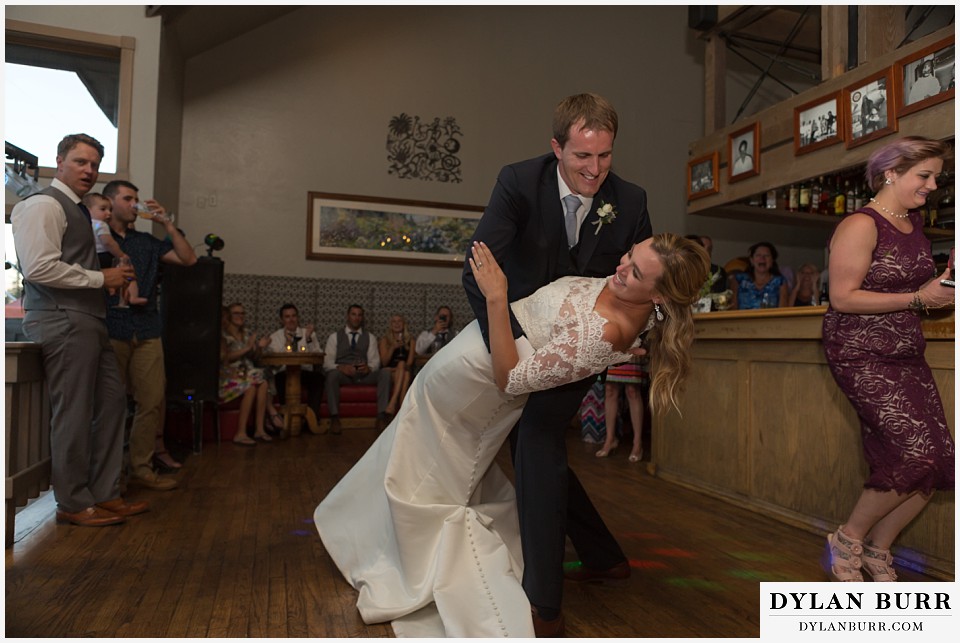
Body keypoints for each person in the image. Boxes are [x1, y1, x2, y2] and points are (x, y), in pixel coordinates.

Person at [315, 234, 708, 636]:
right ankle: (376, 540)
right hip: (457, 367)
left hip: (476, 387)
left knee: (431, 477)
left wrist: (497, 296)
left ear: (658, 297)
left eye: (635, 272)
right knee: (414, 456)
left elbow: (511, 380)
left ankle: (409, 564)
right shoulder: (624, 297)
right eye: (628, 255)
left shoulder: (608, 331)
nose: (620, 267)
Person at [461, 92, 653, 634]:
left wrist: (630, 334)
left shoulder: (631, 200)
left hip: (584, 346)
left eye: (605, 157)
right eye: (582, 157)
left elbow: (651, 281)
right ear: (556, 148)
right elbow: (477, 271)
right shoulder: (519, 182)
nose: (595, 171)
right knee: (528, 444)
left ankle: (543, 602)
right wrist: (520, 348)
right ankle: (603, 556)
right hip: (517, 335)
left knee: (537, 439)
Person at [821, 137, 954, 583]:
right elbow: (842, 297)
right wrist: (920, 297)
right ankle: (848, 537)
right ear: (891, 172)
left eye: (935, 176)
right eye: (925, 175)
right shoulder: (861, 224)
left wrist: (944, 287)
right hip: (860, 352)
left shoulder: (914, 222)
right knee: (916, 454)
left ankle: (879, 548)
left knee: (939, 460)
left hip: (905, 351)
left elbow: (913, 292)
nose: (933, 185)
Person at [11, 133, 144, 527]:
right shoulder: (41, 205)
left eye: (94, 164)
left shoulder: (79, 210)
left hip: (89, 321)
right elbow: (37, 268)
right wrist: (101, 278)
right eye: (81, 162)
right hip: (62, 318)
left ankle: (103, 493)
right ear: (60, 161)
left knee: (112, 403)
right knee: (73, 412)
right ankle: (71, 503)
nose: (89, 170)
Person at [104, 180, 197, 489]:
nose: (135, 204)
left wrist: (167, 223)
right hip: (111, 329)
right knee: (111, 405)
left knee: (151, 401)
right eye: (128, 198)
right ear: (111, 202)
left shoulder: (145, 241)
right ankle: (110, 477)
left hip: (147, 330)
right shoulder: (95, 238)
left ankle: (142, 469)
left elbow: (189, 259)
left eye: (136, 199)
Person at [322, 304, 391, 434]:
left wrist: (368, 369)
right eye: (353, 314)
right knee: (332, 375)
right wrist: (341, 368)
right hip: (343, 375)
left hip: (364, 375)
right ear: (348, 316)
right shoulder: (334, 337)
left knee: (385, 373)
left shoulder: (370, 337)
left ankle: (381, 416)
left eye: (359, 315)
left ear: (362, 318)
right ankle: (334, 418)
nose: (356, 318)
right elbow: (326, 362)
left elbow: (375, 361)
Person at [220, 302, 274, 445]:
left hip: (247, 373)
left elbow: (254, 358)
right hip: (229, 376)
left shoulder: (247, 333)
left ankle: (259, 429)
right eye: (236, 313)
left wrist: (259, 348)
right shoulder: (223, 334)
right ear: (229, 316)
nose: (240, 316)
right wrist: (247, 348)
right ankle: (241, 433)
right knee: (251, 386)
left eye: (242, 313)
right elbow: (226, 357)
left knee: (263, 382)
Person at [266, 303, 323, 428]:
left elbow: (318, 356)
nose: (291, 319)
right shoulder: (275, 337)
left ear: (298, 317)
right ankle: (286, 420)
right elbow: (275, 363)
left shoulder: (308, 333)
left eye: (293, 316)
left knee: (318, 378)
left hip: (304, 371)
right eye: (287, 317)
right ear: (282, 320)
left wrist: (308, 339)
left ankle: (311, 419)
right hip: (284, 373)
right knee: (279, 379)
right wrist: (287, 343)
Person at [595, 356, 646, 462]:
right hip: (613, 345)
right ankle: (610, 439)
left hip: (633, 345)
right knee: (610, 389)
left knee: (632, 390)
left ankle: (637, 443)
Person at [730, 241, 788, 309]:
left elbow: (782, 311)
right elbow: (732, 309)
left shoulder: (780, 282)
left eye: (766, 256)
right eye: (758, 255)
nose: (762, 258)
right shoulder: (738, 280)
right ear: (752, 260)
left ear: (772, 261)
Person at [379, 313, 415, 415]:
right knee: (405, 373)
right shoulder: (384, 340)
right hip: (390, 373)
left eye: (399, 321)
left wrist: (400, 367)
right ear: (390, 325)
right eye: (394, 321)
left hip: (403, 371)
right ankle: (402, 411)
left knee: (404, 367)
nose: (397, 324)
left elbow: (409, 363)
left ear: (404, 324)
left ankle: (393, 403)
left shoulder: (411, 340)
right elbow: (384, 363)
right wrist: (392, 348)